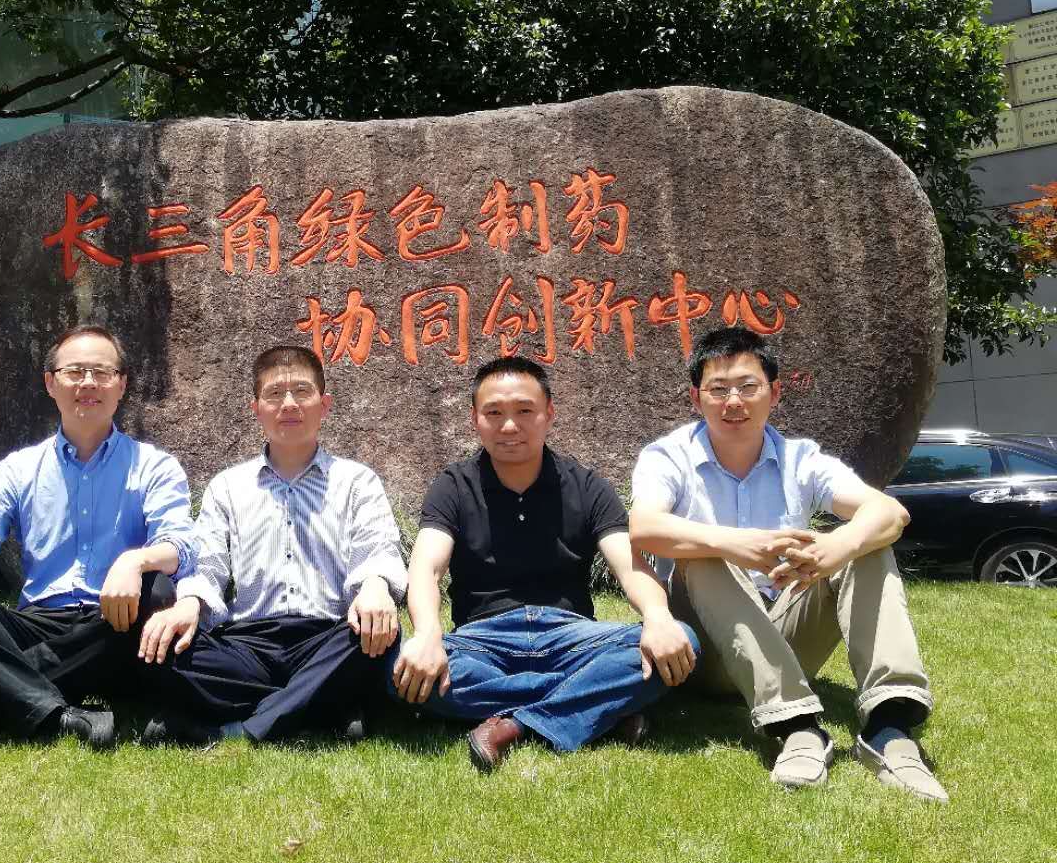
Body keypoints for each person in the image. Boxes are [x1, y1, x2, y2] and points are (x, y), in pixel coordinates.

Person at [629, 327, 945, 800]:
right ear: (696, 398)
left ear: (774, 393)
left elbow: (889, 512)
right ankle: (797, 727)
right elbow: (643, 526)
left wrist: (834, 549)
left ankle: (889, 725)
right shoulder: (667, 457)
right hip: (706, 650)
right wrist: (735, 544)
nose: (733, 401)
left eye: (748, 386)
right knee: (704, 556)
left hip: (784, 628)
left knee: (866, 542)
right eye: (718, 389)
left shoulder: (802, 459)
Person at [391, 355, 698, 773]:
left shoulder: (587, 486)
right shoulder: (454, 486)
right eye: (494, 413)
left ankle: (516, 724)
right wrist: (428, 634)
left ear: (549, 413)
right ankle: (596, 707)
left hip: (572, 640)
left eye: (524, 411)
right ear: (474, 419)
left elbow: (629, 566)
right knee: (396, 667)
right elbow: (426, 567)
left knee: (681, 639)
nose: (509, 426)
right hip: (483, 643)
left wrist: (658, 617)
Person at [0, 324, 194, 750]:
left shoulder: (155, 466)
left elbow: (180, 546)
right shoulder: (18, 469)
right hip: (36, 624)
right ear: (50, 383)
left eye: (102, 372)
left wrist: (134, 560)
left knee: (156, 590)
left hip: (115, 623)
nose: (88, 383)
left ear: (121, 385)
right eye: (74, 372)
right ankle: (47, 705)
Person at [137, 346, 406, 744]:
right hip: (248, 644)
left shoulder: (357, 482)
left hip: (329, 636)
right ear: (257, 408)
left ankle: (238, 729)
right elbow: (208, 564)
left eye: (302, 391)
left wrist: (377, 587)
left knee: (379, 637)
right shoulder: (228, 487)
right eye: (275, 394)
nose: (289, 404)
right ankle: (320, 707)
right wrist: (189, 604)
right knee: (163, 649)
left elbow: (378, 549)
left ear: (324, 405)